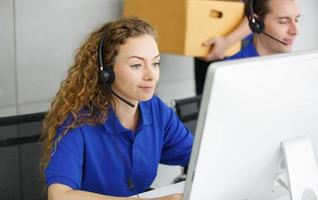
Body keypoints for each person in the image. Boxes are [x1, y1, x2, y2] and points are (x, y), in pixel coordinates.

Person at [40, 17, 193, 200]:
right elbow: (59, 195)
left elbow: (199, 157)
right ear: (106, 72)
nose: (151, 75)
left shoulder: (156, 111)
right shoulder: (76, 122)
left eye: (155, 63)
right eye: (136, 65)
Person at [195, 15, 251, 95]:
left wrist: (228, 41)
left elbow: (258, 12)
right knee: (206, 97)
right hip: (208, 43)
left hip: (237, 45)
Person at [227, 0, 300, 60]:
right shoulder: (231, 69)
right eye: (283, 21)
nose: (295, 32)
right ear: (257, 23)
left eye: (296, 20)